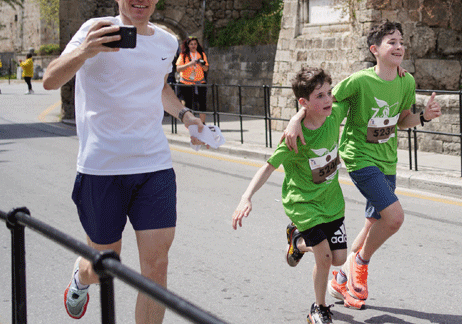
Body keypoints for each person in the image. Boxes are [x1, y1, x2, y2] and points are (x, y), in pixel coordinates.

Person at [42, 0, 207, 323]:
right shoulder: (94, 29)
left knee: (157, 266)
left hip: (154, 167)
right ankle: (80, 278)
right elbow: (51, 80)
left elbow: (159, 85)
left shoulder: (167, 41)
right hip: (102, 169)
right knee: (104, 265)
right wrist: (86, 50)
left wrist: (185, 115)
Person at [283, 21, 442, 307]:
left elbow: (401, 119)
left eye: (401, 41)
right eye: (391, 42)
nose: (399, 46)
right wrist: (296, 118)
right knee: (394, 218)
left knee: (373, 223)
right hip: (360, 157)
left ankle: (339, 279)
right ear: (375, 50)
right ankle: (360, 264)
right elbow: (324, 101)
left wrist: (423, 117)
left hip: (388, 161)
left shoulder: (407, 81)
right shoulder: (359, 81)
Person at [232, 66, 358, 324]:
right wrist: (247, 196)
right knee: (324, 258)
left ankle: (297, 242)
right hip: (304, 204)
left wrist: (392, 69)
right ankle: (319, 308)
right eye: (319, 96)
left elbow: (356, 86)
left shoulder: (334, 115)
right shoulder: (295, 137)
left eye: (328, 93)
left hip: (332, 202)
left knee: (339, 259)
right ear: (304, 102)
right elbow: (268, 167)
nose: (327, 100)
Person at [175, 37, 209, 124]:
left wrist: (201, 65)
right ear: (188, 45)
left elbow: (206, 69)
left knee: (202, 103)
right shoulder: (183, 55)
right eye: (191, 44)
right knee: (188, 104)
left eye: (195, 44)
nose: (193, 46)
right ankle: (190, 122)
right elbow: (178, 69)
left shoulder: (201, 54)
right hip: (186, 83)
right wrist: (190, 64)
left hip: (200, 82)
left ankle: (202, 123)